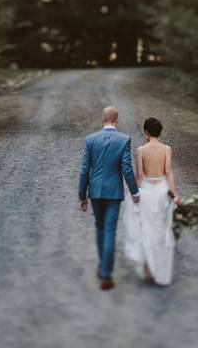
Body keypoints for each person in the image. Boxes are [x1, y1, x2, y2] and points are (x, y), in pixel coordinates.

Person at [78, 106, 139, 290]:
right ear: (117, 120)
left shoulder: (90, 140)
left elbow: (84, 170)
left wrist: (82, 195)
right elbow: (127, 169)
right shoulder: (124, 139)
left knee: (100, 227)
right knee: (110, 230)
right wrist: (135, 192)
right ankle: (106, 274)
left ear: (102, 119)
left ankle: (101, 266)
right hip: (113, 193)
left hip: (95, 192)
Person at [122, 117, 181, 286]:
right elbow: (168, 172)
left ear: (146, 133)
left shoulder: (141, 150)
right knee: (161, 229)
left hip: (147, 192)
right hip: (162, 191)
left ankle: (148, 269)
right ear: (159, 132)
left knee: (146, 230)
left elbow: (139, 176)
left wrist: (134, 193)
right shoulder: (166, 149)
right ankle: (161, 268)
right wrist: (174, 194)